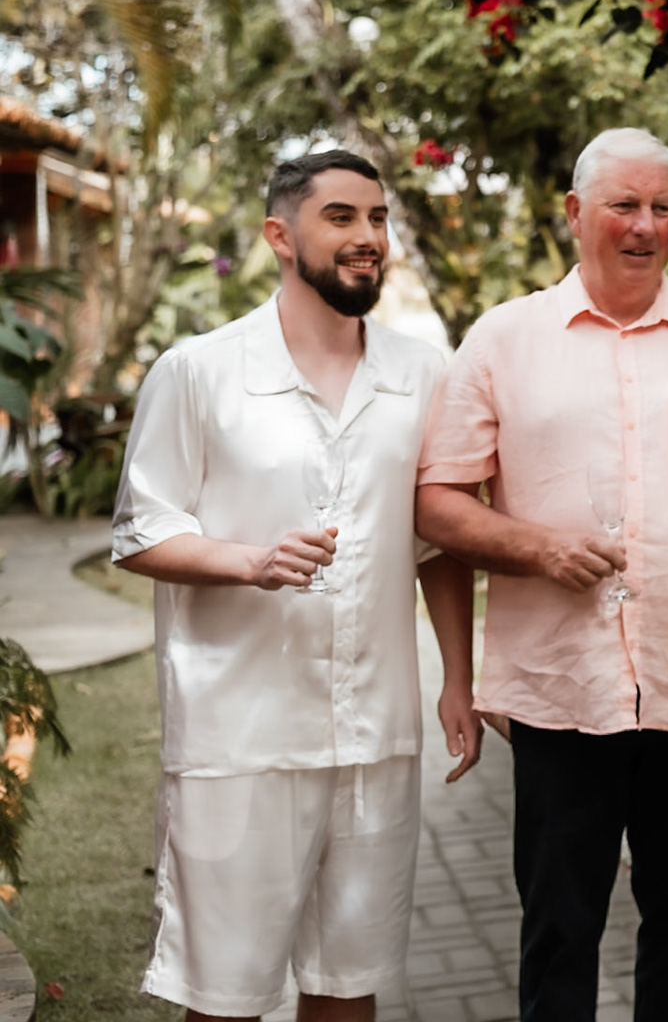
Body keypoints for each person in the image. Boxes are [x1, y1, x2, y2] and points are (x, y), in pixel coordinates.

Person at [413, 127, 668, 1022]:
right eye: (623, 205)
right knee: (559, 931)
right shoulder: (504, 339)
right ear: (574, 212)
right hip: (560, 691)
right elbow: (436, 503)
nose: (644, 226)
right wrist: (539, 550)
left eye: (661, 208)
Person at [112, 149, 481, 1022]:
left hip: (376, 735)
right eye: (341, 217)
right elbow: (140, 531)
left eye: (377, 218)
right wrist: (251, 561)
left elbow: (440, 541)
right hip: (240, 738)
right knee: (225, 995)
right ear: (280, 236)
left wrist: (459, 680)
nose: (368, 237)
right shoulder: (199, 371)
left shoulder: (424, 373)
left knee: (350, 985)